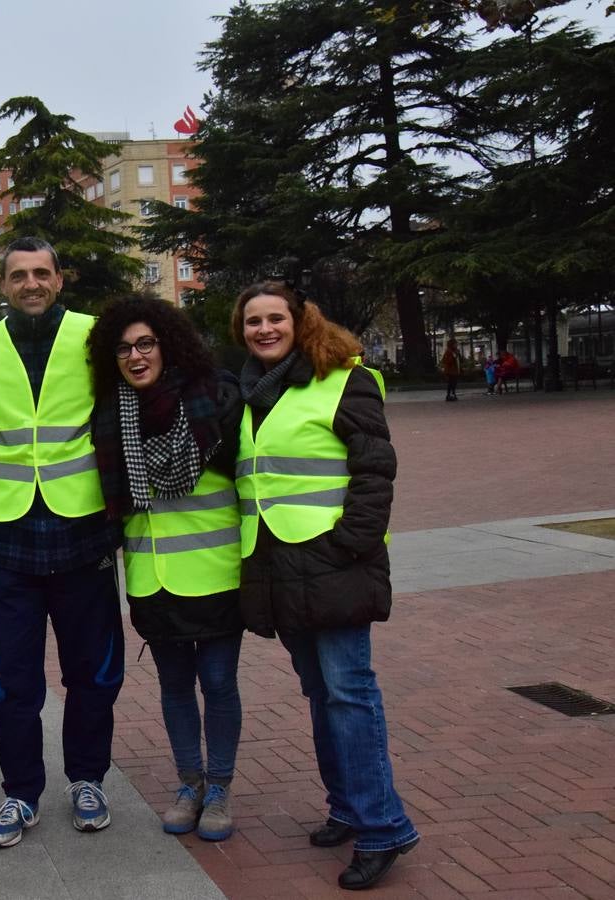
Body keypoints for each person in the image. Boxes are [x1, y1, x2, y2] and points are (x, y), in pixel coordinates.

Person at [232, 281, 419, 891]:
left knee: (349, 692)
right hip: (281, 567)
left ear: (299, 320)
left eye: (274, 319)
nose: (264, 329)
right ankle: (346, 806)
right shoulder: (251, 393)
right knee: (321, 692)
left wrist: (349, 546)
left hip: (334, 563)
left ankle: (382, 827)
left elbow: (374, 471)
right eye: (252, 321)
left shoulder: (344, 379)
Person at [0, 236, 124, 848]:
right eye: (17, 275)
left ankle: (87, 779)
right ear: (2, 286)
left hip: (82, 530)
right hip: (6, 538)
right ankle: (19, 793)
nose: (29, 283)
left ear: (60, 280)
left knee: (94, 671)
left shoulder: (92, 334)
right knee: (11, 680)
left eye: (41, 273)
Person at [87, 295, 245, 843]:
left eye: (145, 344)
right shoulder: (110, 414)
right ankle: (190, 784)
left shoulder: (214, 400)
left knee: (219, 682)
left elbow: (247, 486)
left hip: (217, 572)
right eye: (124, 348)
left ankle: (220, 788)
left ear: (167, 344)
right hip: (152, 578)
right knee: (176, 686)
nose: (135, 356)